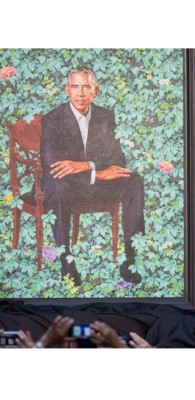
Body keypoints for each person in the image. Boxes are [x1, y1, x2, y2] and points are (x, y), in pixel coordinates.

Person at [41, 67, 145, 286]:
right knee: (56, 189)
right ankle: (67, 264)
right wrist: (97, 172)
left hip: (95, 181)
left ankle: (130, 260)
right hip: (67, 185)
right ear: (66, 90)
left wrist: (85, 166)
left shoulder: (105, 116)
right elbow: (53, 165)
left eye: (86, 87)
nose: (80, 93)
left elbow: (117, 158)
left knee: (133, 180)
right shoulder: (52, 119)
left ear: (95, 92)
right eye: (75, 87)